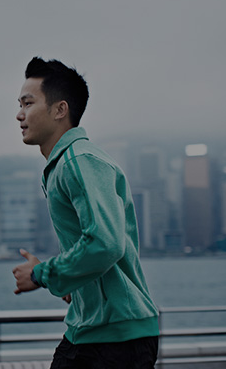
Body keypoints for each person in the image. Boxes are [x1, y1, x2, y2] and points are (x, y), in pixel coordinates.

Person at [12, 57, 159, 368]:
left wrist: (42, 274)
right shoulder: (63, 166)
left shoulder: (81, 161)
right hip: (89, 331)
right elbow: (97, 249)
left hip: (117, 339)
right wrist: (77, 283)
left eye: (28, 103)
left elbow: (105, 244)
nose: (19, 114)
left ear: (59, 110)